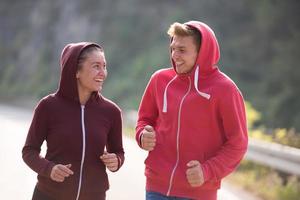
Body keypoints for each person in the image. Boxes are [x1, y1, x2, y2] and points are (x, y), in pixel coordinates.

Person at [135, 21, 248, 200]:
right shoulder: (159, 80)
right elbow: (144, 120)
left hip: (198, 193)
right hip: (156, 189)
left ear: (201, 52)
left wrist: (207, 171)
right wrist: (143, 135)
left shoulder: (225, 90)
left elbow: (238, 143)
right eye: (173, 48)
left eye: (182, 50)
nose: (174, 55)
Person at [22, 42, 125, 200]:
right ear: (76, 70)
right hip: (49, 195)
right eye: (96, 66)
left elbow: (118, 152)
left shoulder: (111, 112)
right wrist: (49, 169)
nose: (103, 73)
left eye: (104, 66)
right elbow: (29, 151)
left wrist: (116, 161)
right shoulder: (48, 107)